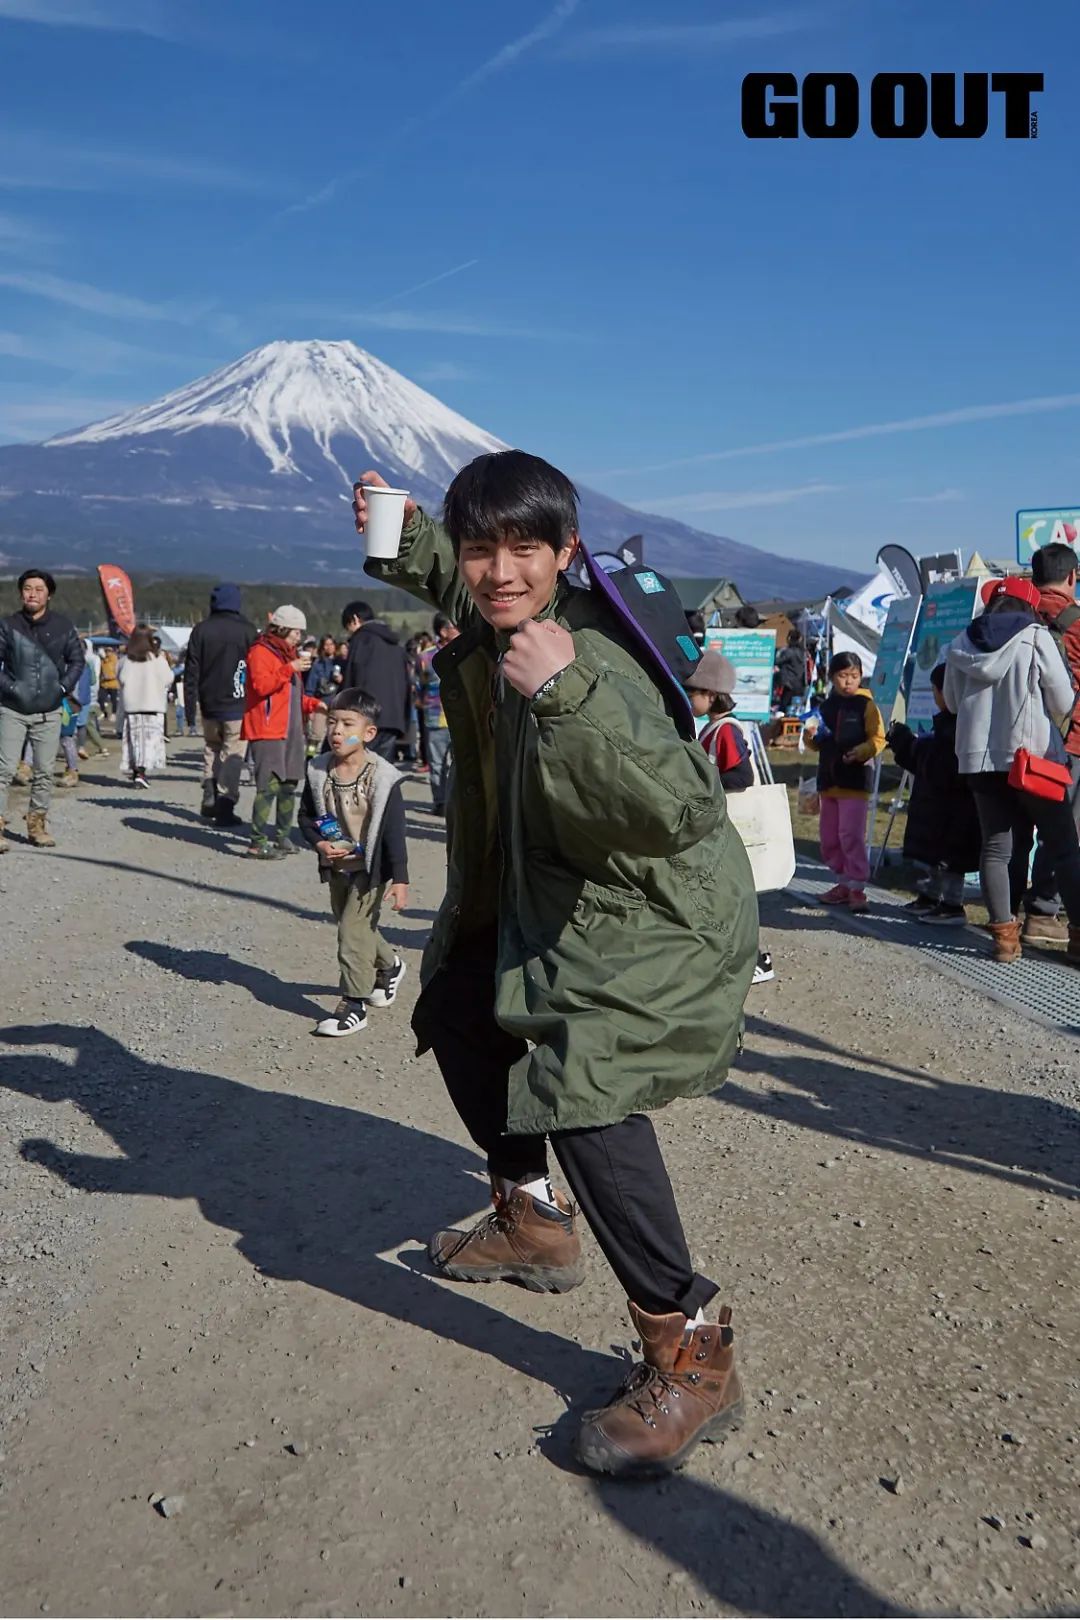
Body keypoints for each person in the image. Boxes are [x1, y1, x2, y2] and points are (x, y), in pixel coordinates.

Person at [355, 453, 757, 1479]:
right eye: (481, 547)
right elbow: (466, 580)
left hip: (654, 915)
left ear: (565, 555)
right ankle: (533, 1220)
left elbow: (675, 812)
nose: (498, 571)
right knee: (454, 1004)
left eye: (524, 548)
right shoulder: (502, 606)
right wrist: (398, 533)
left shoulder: (589, 660)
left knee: (580, 1083)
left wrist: (571, 697)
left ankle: (692, 1343)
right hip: (558, 897)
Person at [944, 575, 1080, 964]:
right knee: (1064, 848)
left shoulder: (960, 644)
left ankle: (1005, 937)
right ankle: (1079, 935)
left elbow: (952, 704)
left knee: (996, 849)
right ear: (1029, 606)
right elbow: (1063, 698)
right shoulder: (1036, 638)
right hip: (1031, 759)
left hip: (979, 761)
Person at [298, 687, 409, 1037]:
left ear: (369, 733)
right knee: (356, 928)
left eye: (347, 723)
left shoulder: (383, 778)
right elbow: (306, 817)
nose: (336, 731)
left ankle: (353, 1004)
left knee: (351, 932)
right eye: (332, 722)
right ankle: (390, 966)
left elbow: (394, 832)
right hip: (337, 868)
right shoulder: (318, 771)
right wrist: (318, 844)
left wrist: (401, 879)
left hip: (370, 871)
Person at [685, 649, 773, 984]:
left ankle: (755, 959)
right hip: (718, 830)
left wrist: (706, 786)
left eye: (689, 692)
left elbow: (742, 777)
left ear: (709, 694)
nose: (685, 697)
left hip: (730, 827)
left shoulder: (726, 731)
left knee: (733, 900)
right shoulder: (711, 728)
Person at [1019, 542, 1080, 945]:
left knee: (1013, 832)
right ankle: (1042, 910)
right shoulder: (1076, 623)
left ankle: (1007, 919)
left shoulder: (1014, 615)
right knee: (1068, 834)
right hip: (1069, 741)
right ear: (1072, 578)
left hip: (1015, 740)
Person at [887, 664, 980, 925]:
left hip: (953, 812)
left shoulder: (958, 730)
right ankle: (928, 898)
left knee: (948, 862)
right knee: (931, 858)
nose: (934, 695)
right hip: (936, 809)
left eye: (936, 690)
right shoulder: (948, 726)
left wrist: (909, 744)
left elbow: (934, 765)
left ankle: (952, 905)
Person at [0, 568, 85, 851]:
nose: (32, 593)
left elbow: (77, 661)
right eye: (27, 588)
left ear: (49, 593)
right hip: (12, 708)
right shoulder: (8, 625)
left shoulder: (63, 626)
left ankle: (37, 824)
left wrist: (62, 688)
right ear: (21, 593)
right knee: (4, 769)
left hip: (49, 711)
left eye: (38, 588)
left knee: (45, 771)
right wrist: (11, 688)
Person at [241, 605, 323, 860]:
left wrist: (314, 704)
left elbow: (292, 698)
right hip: (267, 730)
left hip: (291, 731)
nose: (299, 637)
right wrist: (291, 668)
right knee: (268, 786)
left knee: (289, 784)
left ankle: (282, 836)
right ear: (284, 628)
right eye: (297, 632)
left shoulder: (287, 656)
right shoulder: (260, 652)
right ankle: (257, 841)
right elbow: (262, 685)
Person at [810, 651, 886, 913]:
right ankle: (842, 882)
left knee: (851, 834)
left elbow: (878, 739)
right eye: (843, 676)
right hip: (828, 780)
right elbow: (815, 742)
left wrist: (862, 752)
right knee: (829, 837)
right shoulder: (824, 706)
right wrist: (809, 736)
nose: (848, 681)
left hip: (855, 781)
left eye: (854, 676)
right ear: (832, 677)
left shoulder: (866, 705)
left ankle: (857, 888)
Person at [184, 584, 257, 829]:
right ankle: (225, 803)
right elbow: (256, 670)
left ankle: (209, 786)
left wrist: (190, 708)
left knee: (212, 747)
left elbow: (191, 671)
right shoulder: (247, 631)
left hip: (209, 702)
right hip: (238, 702)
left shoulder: (201, 630)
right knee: (233, 753)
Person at [340, 601, 410, 761]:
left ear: (355, 619)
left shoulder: (361, 641)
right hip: (393, 720)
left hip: (366, 720)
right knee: (382, 771)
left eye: (348, 627)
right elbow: (407, 683)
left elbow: (351, 679)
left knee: (357, 766)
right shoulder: (396, 645)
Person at [117, 625, 173, 787]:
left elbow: (120, 679)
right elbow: (168, 678)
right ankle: (141, 772)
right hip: (153, 707)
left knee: (134, 741)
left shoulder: (125, 661)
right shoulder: (157, 660)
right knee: (149, 742)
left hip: (132, 708)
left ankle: (136, 771)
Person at [415, 613, 460, 814]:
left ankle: (460, 801)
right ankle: (440, 802)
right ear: (442, 631)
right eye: (454, 626)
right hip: (435, 718)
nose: (458, 630)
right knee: (436, 763)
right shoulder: (426, 657)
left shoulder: (466, 651)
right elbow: (418, 685)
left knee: (461, 763)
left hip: (462, 718)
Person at [304, 634, 342, 755]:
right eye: (326, 644)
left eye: (331, 644)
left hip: (337, 705)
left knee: (335, 736)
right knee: (315, 736)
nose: (329, 647)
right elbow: (310, 686)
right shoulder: (318, 664)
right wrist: (309, 706)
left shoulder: (341, 662)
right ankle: (309, 758)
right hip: (320, 704)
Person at [77, 639, 108, 759]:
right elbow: (94, 680)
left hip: (80, 697)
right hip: (89, 696)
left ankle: (99, 747)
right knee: (85, 724)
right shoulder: (92, 660)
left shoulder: (82, 661)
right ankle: (81, 747)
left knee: (85, 724)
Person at [775, 630, 808, 715]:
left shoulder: (789, 652)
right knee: (795, 708)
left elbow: (777, 661)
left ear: (789, 638)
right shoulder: (803, 653)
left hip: (789, 683)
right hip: (799, 683)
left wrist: (779, 653)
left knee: (784, 706)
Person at [98, 643, 120, 727]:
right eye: (106, 651)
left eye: (109, 651)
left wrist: (109, 677)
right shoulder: (102, 660)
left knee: (114, 700)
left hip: (113, 684)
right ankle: (104, 712)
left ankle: (114, 713)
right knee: (101, 699)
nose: (107, 652)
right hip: (104, 684)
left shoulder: (115, 660)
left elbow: (116, 672)